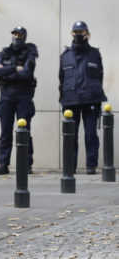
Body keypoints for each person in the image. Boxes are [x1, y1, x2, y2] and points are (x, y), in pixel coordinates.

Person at [59, 21, 107, 175]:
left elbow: (100, 76)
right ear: (72, 34)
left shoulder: (94, 54)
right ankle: (70, 167)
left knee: (91, 134)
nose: (79, 34)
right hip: (71, 100)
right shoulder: (65, 56)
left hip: (90, 100)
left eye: (82, 32)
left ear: (87, 33)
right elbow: (61, 78)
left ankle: (91, 166)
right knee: (71, 136)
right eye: (76, 32)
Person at [0, 26, 37, 175]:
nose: (16, 37)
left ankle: (26, 164)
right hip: (6, 98)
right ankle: (3, 164)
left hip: (23, 97)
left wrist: (6, 70)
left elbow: (26, 73)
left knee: (24, 131)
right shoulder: (5, 52)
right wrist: (14, 68)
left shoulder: (30, 53)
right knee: (5, 132)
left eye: (19, 34)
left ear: (24, 36)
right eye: (14, 34)